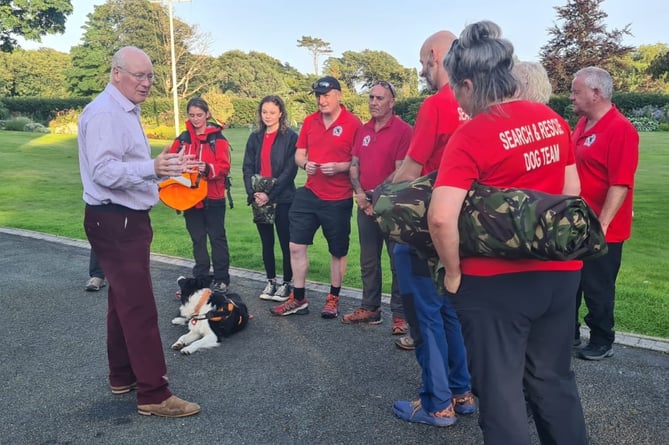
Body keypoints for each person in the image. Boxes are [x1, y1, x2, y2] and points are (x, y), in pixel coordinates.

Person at [427, 21, 587, 444]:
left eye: (457, 92)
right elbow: (571, 192)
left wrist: (452, 272)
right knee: (553, 380)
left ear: (466, 83)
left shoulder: (471, 134)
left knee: (500, 396)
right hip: (559, 273)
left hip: (496, 284)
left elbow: (441, 217)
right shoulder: (553, 120)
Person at [78, 46, 200, 417]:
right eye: (139, 76)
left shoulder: (122, 109)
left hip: (120, 218)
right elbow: (104, 171)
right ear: (116, 73)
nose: (146, 83)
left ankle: (123, 375)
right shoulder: (106, 113)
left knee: (123, 302)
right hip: (117, 219)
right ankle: (154, 394)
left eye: (149, 76)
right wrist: (151, 167)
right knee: (140, 307)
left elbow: (129, 163)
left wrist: (166, 166)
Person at [390, 31, 475, 427]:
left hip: (425, 224)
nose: (422, 69)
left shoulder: (437, 105)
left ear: (436, 56)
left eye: (423, 62)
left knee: (424, 315)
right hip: (465, 226)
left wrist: (377, 196)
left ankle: (437, 403)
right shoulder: (476, 104)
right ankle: (461, 391)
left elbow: (410, 170)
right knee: (449, 311)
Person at [270, 76, 362, 318]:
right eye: (319, 96)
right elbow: (299, 155)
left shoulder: (353, 123)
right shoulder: (310, 121)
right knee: (295, 245)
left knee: (337, 251)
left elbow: (357, 162)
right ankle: (298, 298)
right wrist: (305, 164)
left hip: (339, 196)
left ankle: (333, 297)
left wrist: (340, 167)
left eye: (327, 95)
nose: (322, 100)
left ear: (339, 95)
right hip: (310, 192)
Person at [571, 66, 639, 360]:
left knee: (597, 285)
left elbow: (620, 183)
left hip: (602, 226)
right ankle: (568, 333)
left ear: (596, 93)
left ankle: (602, 339)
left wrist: (603, 224)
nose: (571, 97)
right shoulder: (582, 124)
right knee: (570, 282)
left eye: (577, 91)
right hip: (575, 221)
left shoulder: (620, 129)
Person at [342, 81, 411, 335]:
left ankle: (400, 315)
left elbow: (401, 170)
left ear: (392, 102)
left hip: (392, 207)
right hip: (364, 204)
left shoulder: (404, 131)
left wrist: (375, 198)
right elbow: (354, 165)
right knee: (368, 260)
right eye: (371, 97)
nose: (373, 102)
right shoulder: (363, 130)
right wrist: (360, 194)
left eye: (380, 98)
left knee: (397, 262)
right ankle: (370, 307)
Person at [168, 97, 232, 294]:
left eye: (199, 115)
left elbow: (224, 166)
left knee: (217, 238)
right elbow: (170, 161)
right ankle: (201, 277)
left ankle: (221, 278)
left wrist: (207, 168)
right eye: (192, 115)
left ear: (207, 115)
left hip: (213, 196)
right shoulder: (183, 139)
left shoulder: (217, 139)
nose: (196, 119)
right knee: (197, 238)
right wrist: (178, 165)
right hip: (190, 197)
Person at [242, 95, 298, 302]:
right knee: (267, 242)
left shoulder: (291, 137)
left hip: (282, 197)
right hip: (259, 198)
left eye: (272, 112)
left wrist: (270, 194)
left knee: (286, 243)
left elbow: (289, 171)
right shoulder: (255, 137)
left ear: (281, 113)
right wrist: (252, 193)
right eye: (264, 112)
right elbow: (247, 167)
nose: (268, 116)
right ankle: (271, 281)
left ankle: (287, 284)